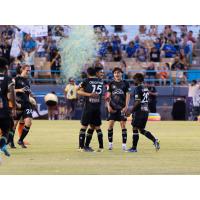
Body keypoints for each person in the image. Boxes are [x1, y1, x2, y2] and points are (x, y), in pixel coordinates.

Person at [127, 73, 160, 152]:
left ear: (137, 80)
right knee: (141, 130)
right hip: (145, 111)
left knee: (135, 128)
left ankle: (134, 148)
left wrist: (130, 111)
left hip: (139, 112)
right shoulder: (145, 88)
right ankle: (155, 140)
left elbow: (138, 102)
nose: (133, 81)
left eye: (134, 79)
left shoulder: (137, 88)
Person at [77, 67, 104, 152]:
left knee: (84, 126)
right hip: (97, 107)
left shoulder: (86, 80)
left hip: (89, 106)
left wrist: (89, 94)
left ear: (88, 73)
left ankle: (81, 147)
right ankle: (98, 147)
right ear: (96, 73)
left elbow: (78, 91)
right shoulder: (100, 81)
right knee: (95, 126)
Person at [106, 67, 131, 151]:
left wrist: (126, 106)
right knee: (110, 125)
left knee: (123, 125)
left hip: (122, 108)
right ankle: (110, 144)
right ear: (113, 74)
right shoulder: (110, 84)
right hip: (112, 107)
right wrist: (108, 106)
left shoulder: (125, 83)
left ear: (121, 74)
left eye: (118, 72)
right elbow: (107, 96)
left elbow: (128, 95)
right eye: (115, 73)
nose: (117, 74)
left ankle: (124, 145)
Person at [14, 64, 33, 148]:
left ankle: (20, 140)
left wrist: (31, 99)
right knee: (14, 125)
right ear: (22, 69)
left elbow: (27, 93)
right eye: (27, 70)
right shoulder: (16, 79)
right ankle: (10, 141)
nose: (28, 72)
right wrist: (19, 90)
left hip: (27, 104)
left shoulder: (27, 81)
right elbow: (9, 90)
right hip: (18, 104)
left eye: (29, 70)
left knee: (28, 123)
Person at [0, 57, 15, 156]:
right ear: (6, 67)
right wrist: (14, 105)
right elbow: (11, 94)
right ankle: (3, 145)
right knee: (8, 128)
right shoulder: (8, 79)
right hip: (4, 109)